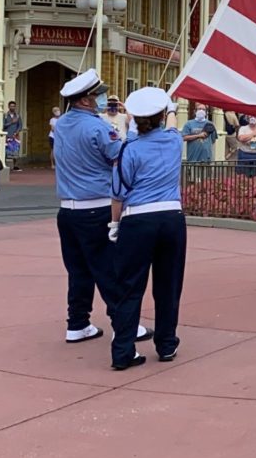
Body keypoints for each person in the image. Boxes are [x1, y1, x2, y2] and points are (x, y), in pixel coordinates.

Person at [53, 68, 151, 346]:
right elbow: (121, 158)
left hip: (67, 210)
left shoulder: (61, 124)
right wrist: (133, 132)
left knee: (78, 270)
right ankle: (124, 324)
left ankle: (77, 323)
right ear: (85, 100)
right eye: (96, 95)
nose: (101, 99)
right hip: (96, 207)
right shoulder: (97, 127)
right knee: (110, 269)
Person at [108, 87, 187, 370]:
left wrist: (114, 224)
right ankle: (166, 344)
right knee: (168, 285)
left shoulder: (129, 149)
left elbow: (118, 193)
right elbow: (172, 124)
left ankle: (123, 351)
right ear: (161, 116)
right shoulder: (174, 141)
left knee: (129, 287)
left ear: (133, 118)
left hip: (138, 219)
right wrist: (171, 107)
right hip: (171, 218)